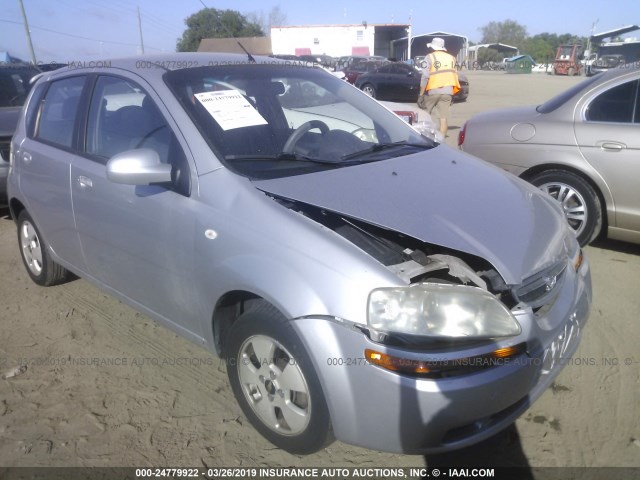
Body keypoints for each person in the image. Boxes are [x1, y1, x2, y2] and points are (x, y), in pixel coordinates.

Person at [418, 37, 460, 137]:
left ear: (432, 47)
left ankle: (422, 138)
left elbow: (425, 76)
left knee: (424, 115)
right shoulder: (452, 58)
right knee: (443, 118)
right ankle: (442, 142)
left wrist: (421, 94)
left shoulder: (429, 57)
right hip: (448, 91)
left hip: (433, 90)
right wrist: (453, 93)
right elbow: (455, 75)